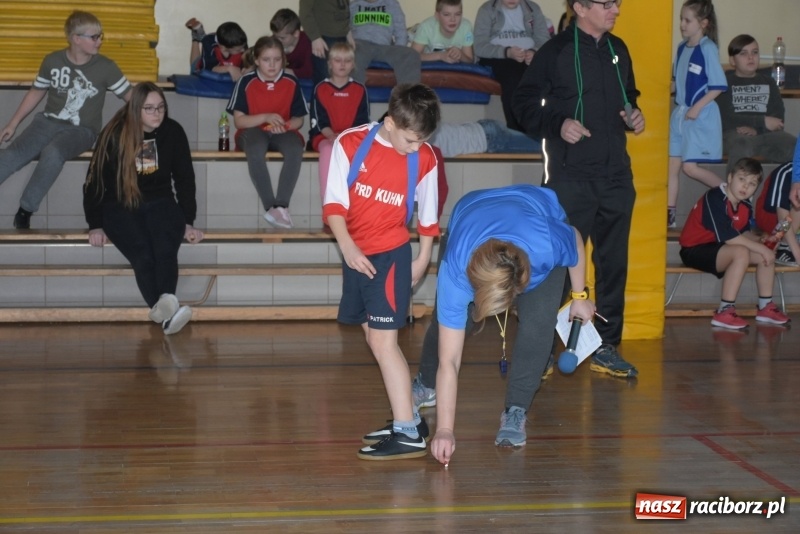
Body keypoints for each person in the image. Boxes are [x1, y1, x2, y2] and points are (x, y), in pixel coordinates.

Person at [411, 185, 593, 465]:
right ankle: (426, 382)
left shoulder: (545, 243)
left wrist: (580, 296)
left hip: (535, 214)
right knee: (451, 324)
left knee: (537, 323)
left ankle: (516, 409)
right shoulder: (456, 272)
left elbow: (576, 240)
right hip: (470, 214)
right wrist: (444, 430)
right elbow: (450, 361)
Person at [513, 0, 644, 379]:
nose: (615, 9)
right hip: (569, 178)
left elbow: (628, 95)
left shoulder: (619, 50)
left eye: (617, 3)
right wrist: (557, 124)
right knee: (555, 268)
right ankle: (541, 351)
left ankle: (606, 347)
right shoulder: (554, 52)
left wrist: (633, 113)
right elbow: (522, 104)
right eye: (606, 3)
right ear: (580, 7)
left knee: (613, 266)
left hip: (616, 176)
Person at [323, 84, 441, 460]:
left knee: (384, 343)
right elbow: (334, 205)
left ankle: (407, 430)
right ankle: (410, 420)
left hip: (391, 256)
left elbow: (428, 217)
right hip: (355, 254)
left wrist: (422, 259)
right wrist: (348, 247)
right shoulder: (350, 143)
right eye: (409, 139)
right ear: (389, 122)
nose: (415, 146)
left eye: (423, 140)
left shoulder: (424, 158)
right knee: (375, 341)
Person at [83, 82, 204, 336]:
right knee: (143, 254)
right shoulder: (115, 133)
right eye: (149, 108)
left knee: (165, 249)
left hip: (160, 201)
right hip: (120, 204)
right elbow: (95, 182)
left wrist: (188, 220)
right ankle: (167, 312)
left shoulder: (173, 132)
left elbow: (185, 179)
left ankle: (166, 313)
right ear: (135, 110)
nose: (156, 113)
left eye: (161, 107)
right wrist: (95, 224)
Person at [0, 10, 131, 230]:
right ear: (76, 39)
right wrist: (13, 123)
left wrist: (152, 110)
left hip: (81, 130)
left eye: (101, 36)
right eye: (94, 36)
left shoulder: (106, 67)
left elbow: (130, 97)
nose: (100, 41)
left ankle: (26, 209)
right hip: (46, 123)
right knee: (11, 155)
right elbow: (36, 92)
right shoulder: (52, 61)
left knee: (53, 152)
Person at [678, 157, 790, 329]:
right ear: (730, 178)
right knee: (741, 252)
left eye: (752, 184)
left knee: (764, 253)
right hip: (694, 250)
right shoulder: (715, 197)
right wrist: (759, 246)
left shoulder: (745, 205)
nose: (746, 186)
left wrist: (762, 241)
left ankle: (765, 307)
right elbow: (730, 237)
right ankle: (724, 311)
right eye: (742, 179)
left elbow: (743, 233)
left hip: (720, 248)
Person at [227, 37, 308, 229]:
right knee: (255, 148)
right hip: (252, 131)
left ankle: (281, 205)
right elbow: (239, 120)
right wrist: (266, 117)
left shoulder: (291, 81)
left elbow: (300, 119)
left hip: (282, 132)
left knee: (295, 149)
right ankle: (271, 206)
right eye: (266, 60)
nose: (272, 65)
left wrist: (286, 125)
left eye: (277, 59)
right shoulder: (246, 82)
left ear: (284, 60)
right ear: (256, 60)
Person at [666, 0, 727, 228]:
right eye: (681, 19)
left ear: (703, 23)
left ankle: (733, 195)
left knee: (689, 167)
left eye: (687, 20)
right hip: (681, 115)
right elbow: (676, 83)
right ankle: (669, 215)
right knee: (672, 166)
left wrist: (697, 107)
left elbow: (718, 86)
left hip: (699, 116)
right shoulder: (682, 48)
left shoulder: (708, 48)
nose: (682, 24)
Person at [716, 34, 796, 171]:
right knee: (742, 144)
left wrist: (757, 128)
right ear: (732, 60)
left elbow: (778, 119)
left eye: (755, 52)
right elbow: (726, 118)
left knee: (795, 145)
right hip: (734, 135)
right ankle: (733, 190)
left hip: (764, 135)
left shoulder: (769, 82)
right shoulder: (724, 83)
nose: (750, 57)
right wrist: (762, 121)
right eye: (743, 53)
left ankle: (781, 187)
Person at [474, 0, 550, 132]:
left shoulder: (533, 9)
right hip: (499, 56)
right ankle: (516, 130)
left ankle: (536, 128)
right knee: (513, 77)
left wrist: (534, 52)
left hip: (527, 56)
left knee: (536, 78)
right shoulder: (487, 10)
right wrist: (507, 52)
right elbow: (479, 46)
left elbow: (544, 40)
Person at [309, 42, 370, 204]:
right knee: (329, 151)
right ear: (329, 64)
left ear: (353, 65)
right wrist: (331, 135)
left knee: (361, 152)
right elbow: (318, 120)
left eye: (347, 60)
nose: (342, 64)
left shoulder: (359, 89)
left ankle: (354, 203)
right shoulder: (320, 88)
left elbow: (362, 121)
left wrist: (346, 138)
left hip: (351, 138)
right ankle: (328, 202)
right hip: (325, 137)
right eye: (337, 60)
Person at [349, 0, 421, 85]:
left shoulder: (392, 4)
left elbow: (401, 33)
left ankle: (407, 97)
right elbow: (346, 30)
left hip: (385, 47)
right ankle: (355, 96)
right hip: (361, 45)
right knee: (353, 54)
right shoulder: (352, 6)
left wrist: (398, 50)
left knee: (411, 54)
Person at [754, 162, 800, 267]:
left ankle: (789, 243)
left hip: (790, 221)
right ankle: (784, 246)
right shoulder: (786, 171)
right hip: (773, 220)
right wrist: (797, 253)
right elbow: (783, 218)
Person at [300, 0, 353, 86]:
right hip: (323, 39)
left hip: (343, 37)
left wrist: (348, 31)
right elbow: (305, 13)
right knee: (325, 81)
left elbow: (343, 7)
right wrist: (315, 38)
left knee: (343, 81)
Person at [429, 119, 541, 157]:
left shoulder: (421, 140)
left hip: (492, 139)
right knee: (546, 142)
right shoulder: (420, 129)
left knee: (547, 146)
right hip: (486, 130)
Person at [411, 0, 474, 64]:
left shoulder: (466, 27)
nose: (453, 19)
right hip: (430, 68)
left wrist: (460, 54)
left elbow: (470, 60)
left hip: (454, 70)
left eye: (457, 14)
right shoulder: (426, 27)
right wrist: (440, 56)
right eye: (446, 15)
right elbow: (412, 56)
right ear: (437, 16)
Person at [270, 8, 314, 80]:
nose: (278, 40)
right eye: (275, 36)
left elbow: (308, 71)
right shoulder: (272, 42)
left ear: (296, 33)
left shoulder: (307, 42)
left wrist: (284, 71)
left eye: (282, 38)